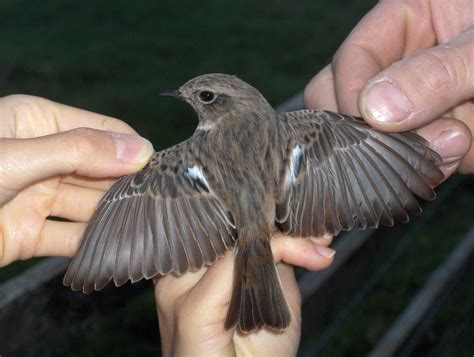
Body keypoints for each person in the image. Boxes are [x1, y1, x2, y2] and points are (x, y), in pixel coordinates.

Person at [0, 0, 471, 355]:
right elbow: (364, 153)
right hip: (271, 229)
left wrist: (107, 244)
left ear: (224, 106)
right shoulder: (312, 128)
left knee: (134, 184)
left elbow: (135, 207)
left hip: (243, 245)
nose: (193, 100)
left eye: (203, 96)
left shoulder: (168, 168)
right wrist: (413, 161)